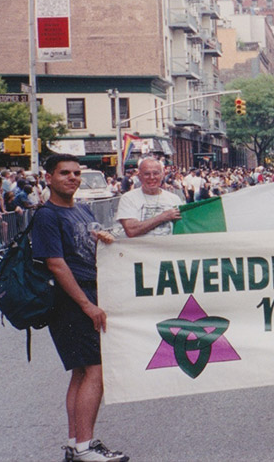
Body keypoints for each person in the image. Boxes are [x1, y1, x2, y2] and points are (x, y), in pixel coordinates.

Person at [32, 154, 127, 462]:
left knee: (80, 372)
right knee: (95, 372)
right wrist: (87, 305)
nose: (72, 178)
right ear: (49, 178)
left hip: (89, 295)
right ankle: (85, 448)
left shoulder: (81, 211)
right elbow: (56, 264)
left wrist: (103, 240)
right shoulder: (47, 216)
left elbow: (86, 250)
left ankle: (76, 442)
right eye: (64, 173)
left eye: (76, 173)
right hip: (71, 302)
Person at [116, 158, 182, 238]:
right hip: (140, 250)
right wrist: (162, 217)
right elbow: (131, 230)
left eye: (156, 173)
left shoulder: (174, 199)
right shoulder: (128, 198)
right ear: (139, 176)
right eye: (147, 174)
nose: (152, 177)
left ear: (162, 175)